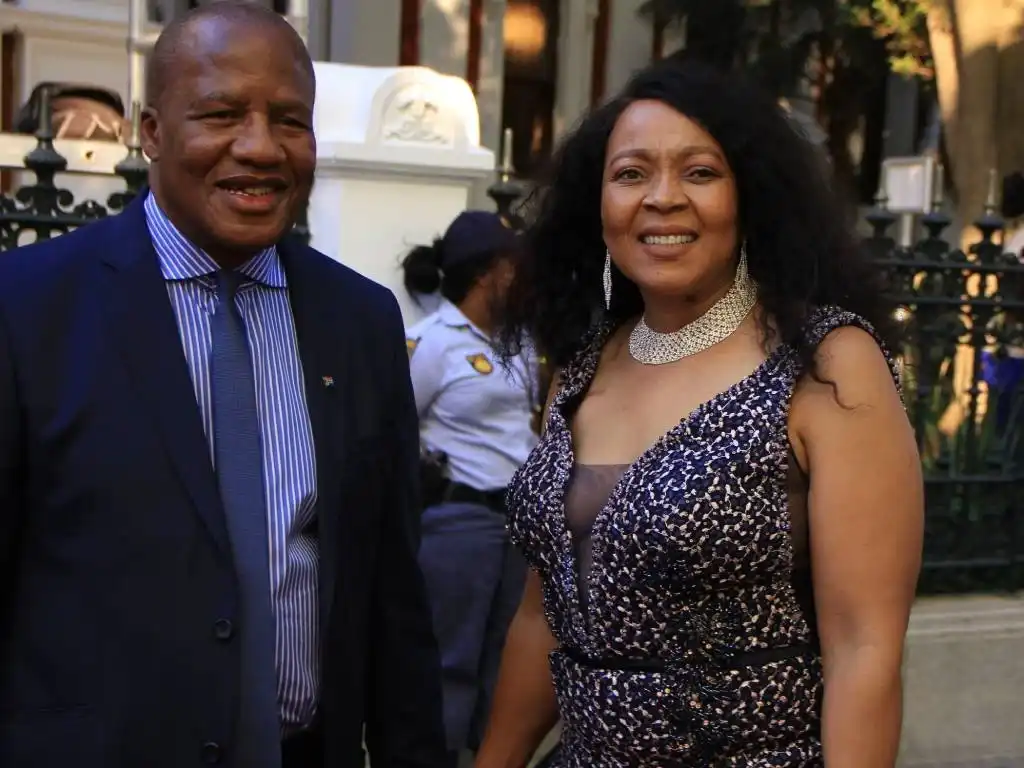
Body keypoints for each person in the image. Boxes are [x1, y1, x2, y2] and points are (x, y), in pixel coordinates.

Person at [0, 3, 446, 767]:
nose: (260, 147)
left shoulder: (360, 322)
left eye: (290, 121)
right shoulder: (28, 307)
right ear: (151, 132)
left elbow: (391, 596)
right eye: (221, 114)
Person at [475, 59, 925, 767]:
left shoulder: (825, 362)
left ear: (750, 196)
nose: (662, 198)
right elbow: (542, 619)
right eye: (631, 174)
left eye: (700, 172)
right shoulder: (581, 370)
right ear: (598, 205)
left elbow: (863, 648)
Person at [401, 211, 538, 768]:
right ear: (487, 274)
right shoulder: (430, 343)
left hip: (517, 523)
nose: (522, 278)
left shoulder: (516, 341)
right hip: (460, 520)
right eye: (514, 266)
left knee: (505, 658)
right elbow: (395, 426)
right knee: (450, 658)